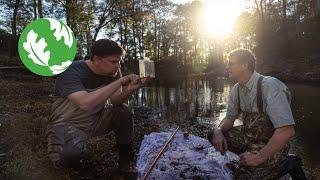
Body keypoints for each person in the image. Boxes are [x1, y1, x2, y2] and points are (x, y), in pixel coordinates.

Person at [46, 39, 146, 177]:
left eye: (120, 61)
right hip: (68, 123)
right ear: (97, 59)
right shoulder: (70, 71)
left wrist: (129, 90)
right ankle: (82, 155)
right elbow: (85, 103)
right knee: (68, 157)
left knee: (124, 111)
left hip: (97, 118)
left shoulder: (114, 73)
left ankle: (125, 162)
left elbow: (114, 102)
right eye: (114, 62)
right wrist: (121, 81)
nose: (118, 66)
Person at [207, 49, 302, 179]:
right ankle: (250, 156)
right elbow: (229, 118)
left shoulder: (270, 86)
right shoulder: (236, 89)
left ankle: (287, 163)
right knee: (213, 135)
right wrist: (218, 130)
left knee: (243, 177)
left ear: (244, 65)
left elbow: (287, 131)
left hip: (272, 142)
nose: (227, 67)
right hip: (249, 136)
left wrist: (259, 157)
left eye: (231, 63)